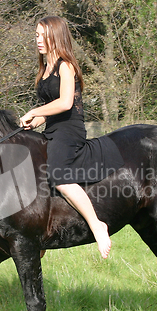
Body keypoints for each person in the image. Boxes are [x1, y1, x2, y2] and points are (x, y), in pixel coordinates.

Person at [20, 16, 112, 259]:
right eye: (36, 35)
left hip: (69, 132)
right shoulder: (45, 68)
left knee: (59, 177)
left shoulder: (65, 66)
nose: (38, 40)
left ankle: (96, 225)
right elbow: (50, 110)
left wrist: (34, 111)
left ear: (55, 37)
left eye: (42, 35)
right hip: (51, 128)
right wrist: (33, 121)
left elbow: (65, 103)